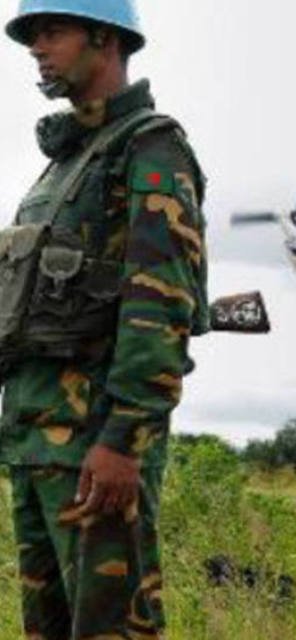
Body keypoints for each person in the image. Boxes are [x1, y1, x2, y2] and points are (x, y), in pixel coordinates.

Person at [1, 1, 209, 637]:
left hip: (95, 447)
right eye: (33, 34)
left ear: (107, 38)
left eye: (53, 31)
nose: (38, 46)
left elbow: (159, 305)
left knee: (110, 630)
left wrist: (122, 441)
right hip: (35, 440)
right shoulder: (64, 164)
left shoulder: (149, 147)